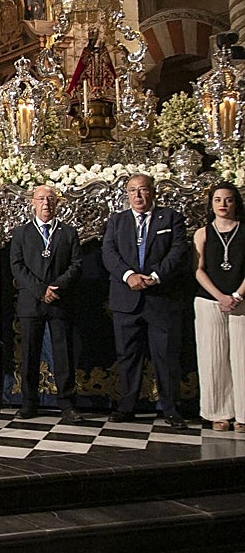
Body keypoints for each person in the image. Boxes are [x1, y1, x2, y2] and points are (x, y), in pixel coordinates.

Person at [101, 173, 189, 428]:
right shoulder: (117, 221)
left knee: (166, 356)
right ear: (127, 195)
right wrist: (129, 276)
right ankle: (126, 406)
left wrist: (155, 276)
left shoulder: (171, 218)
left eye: (143, 190)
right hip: (126, 300)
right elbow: (109, 253)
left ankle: (171, 409)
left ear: (153, 192)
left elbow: (178, 251)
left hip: (161, 299)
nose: (138, 196)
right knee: (127, 356)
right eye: (132, 191)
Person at [9, 185, 83, 423]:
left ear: (57, 203)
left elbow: (76, 264)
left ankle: (67, 403)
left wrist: (56, 288)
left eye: (50, 199)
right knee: (29, 353)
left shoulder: (68, 233)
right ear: (33, 202)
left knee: (63, 354)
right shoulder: (21, 233)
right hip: (32, 301)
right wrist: (41, 291)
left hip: (60, 301)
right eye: (41, 199)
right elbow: (17, 266)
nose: (46, 203)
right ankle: (29, 402)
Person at [192, 182, 245, 432]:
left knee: (241, 359)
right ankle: (218, 413)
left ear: (236, 203)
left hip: (241, 301)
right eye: (218, 200)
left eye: (228, 199)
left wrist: (235, 295)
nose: (223, 204)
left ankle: (243, 415)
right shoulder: (202, 233)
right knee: (212, 358)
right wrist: (220, 296)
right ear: (211, 204)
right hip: (209, 301)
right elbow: (198, 270)